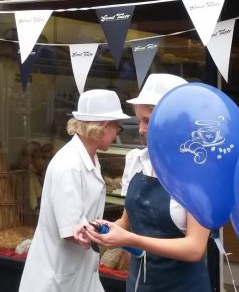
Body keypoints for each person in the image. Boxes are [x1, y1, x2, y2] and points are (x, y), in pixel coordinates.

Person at [86, 73, 210, 292]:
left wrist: (132, 240)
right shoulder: (137, 161)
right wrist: (97, 229)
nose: (141, 129)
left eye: (147, 121)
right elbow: (126, 222)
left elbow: (194, 248)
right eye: (139, 121)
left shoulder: (197, 173)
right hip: (139, 283)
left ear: (172, 122)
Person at [18, 89, 132, 292]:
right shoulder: (68, 164)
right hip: (57, 280)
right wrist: (122, 237)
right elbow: (72, 232)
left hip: (81, 275)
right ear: (104, 127)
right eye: (118, 127)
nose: (117, 134)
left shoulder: (89, 158)